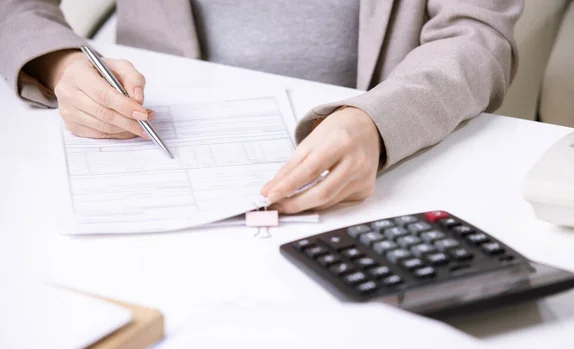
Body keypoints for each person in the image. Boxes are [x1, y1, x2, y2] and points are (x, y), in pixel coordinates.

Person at [0, 0, 523, 213]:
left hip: (377, 158)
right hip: (152, 141)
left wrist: (379, 122)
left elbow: (476, 36)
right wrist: (59, 64)